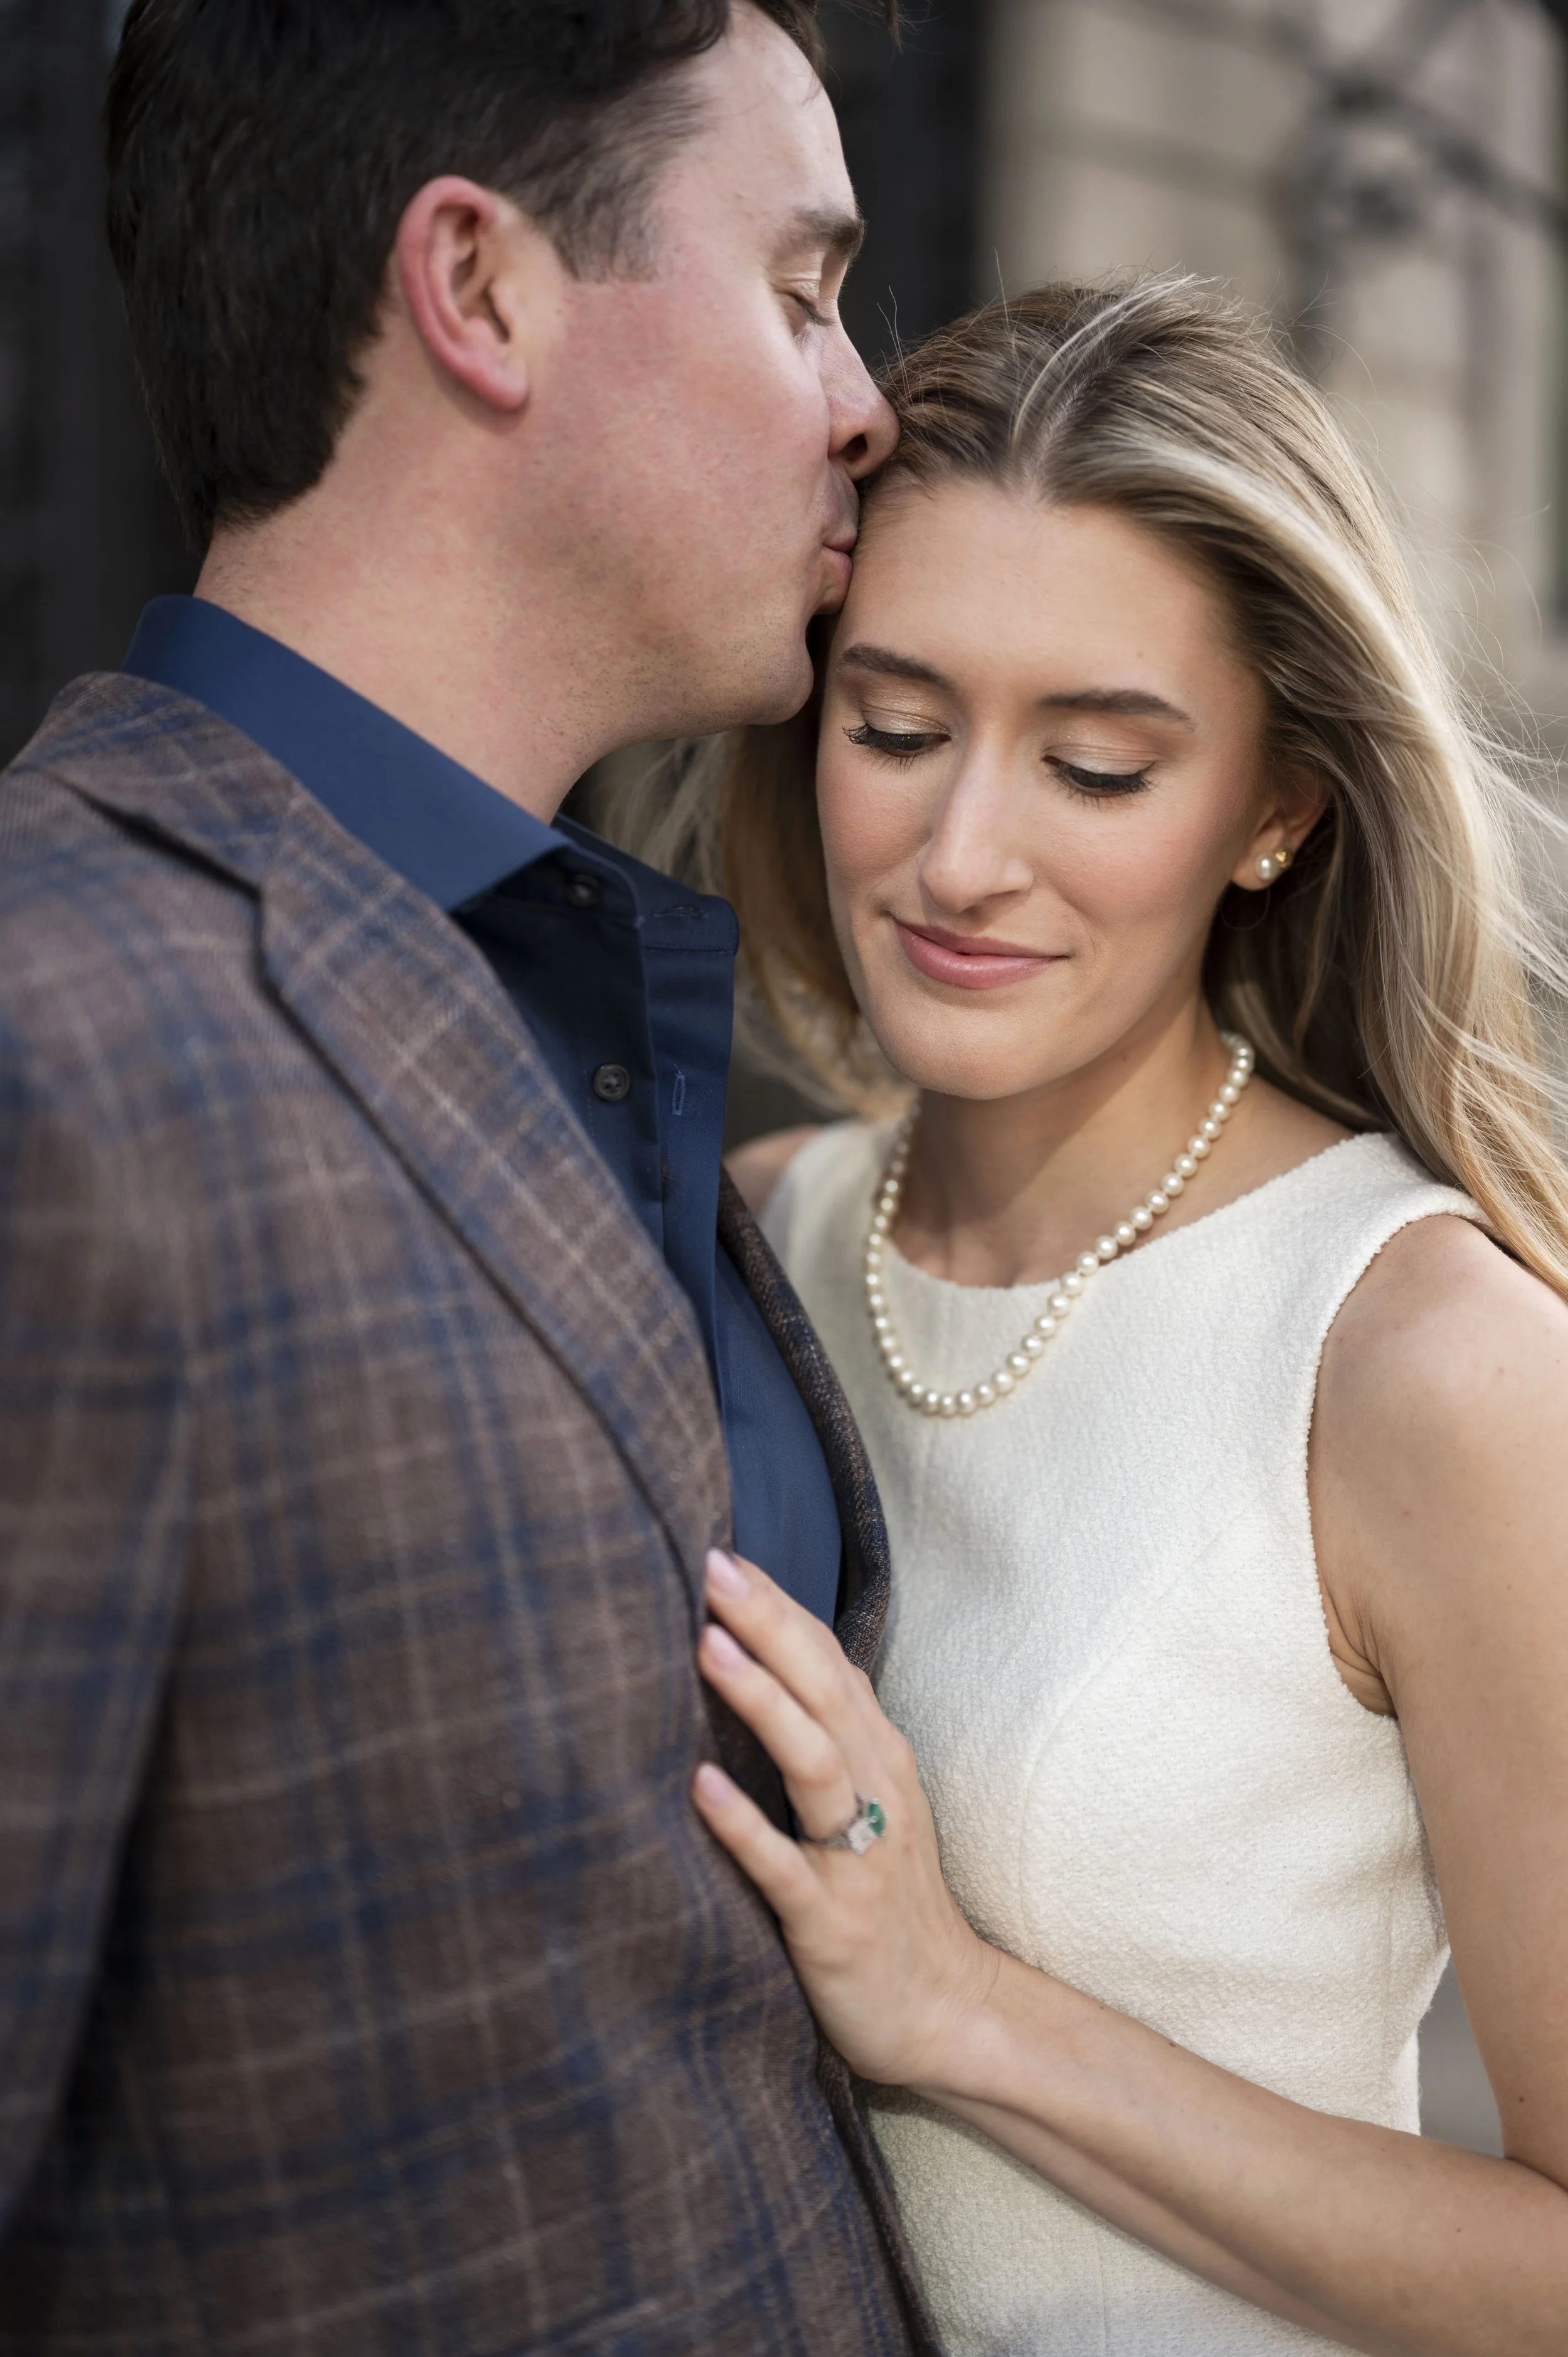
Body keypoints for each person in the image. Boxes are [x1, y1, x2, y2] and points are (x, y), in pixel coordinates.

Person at [0, 3, 945, 2350]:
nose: (867, 404)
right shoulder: (52, 1036)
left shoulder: (567, 985)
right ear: (483, 289)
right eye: (805, 289)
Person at [675, 277, 1568, 2352]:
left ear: (1275, 812)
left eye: (1093, 764)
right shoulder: (738, 1239)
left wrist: (963, 2015)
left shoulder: (1426, 1366)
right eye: (894, 726)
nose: (958, 851)